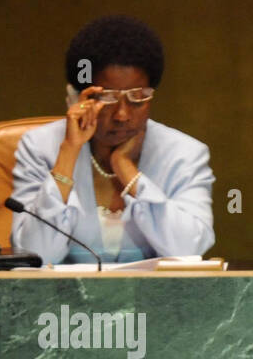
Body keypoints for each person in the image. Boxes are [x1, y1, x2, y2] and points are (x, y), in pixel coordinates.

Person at [11, 15, 214, 264]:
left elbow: (188, 251)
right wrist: (69, 152)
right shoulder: (40, 147)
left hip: (154, 301)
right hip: (64, 302)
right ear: (79, 97)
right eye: (107, 97)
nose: (122, 115)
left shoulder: (184, 153)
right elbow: (38, 256)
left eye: (137, 97)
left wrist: (126, 169)